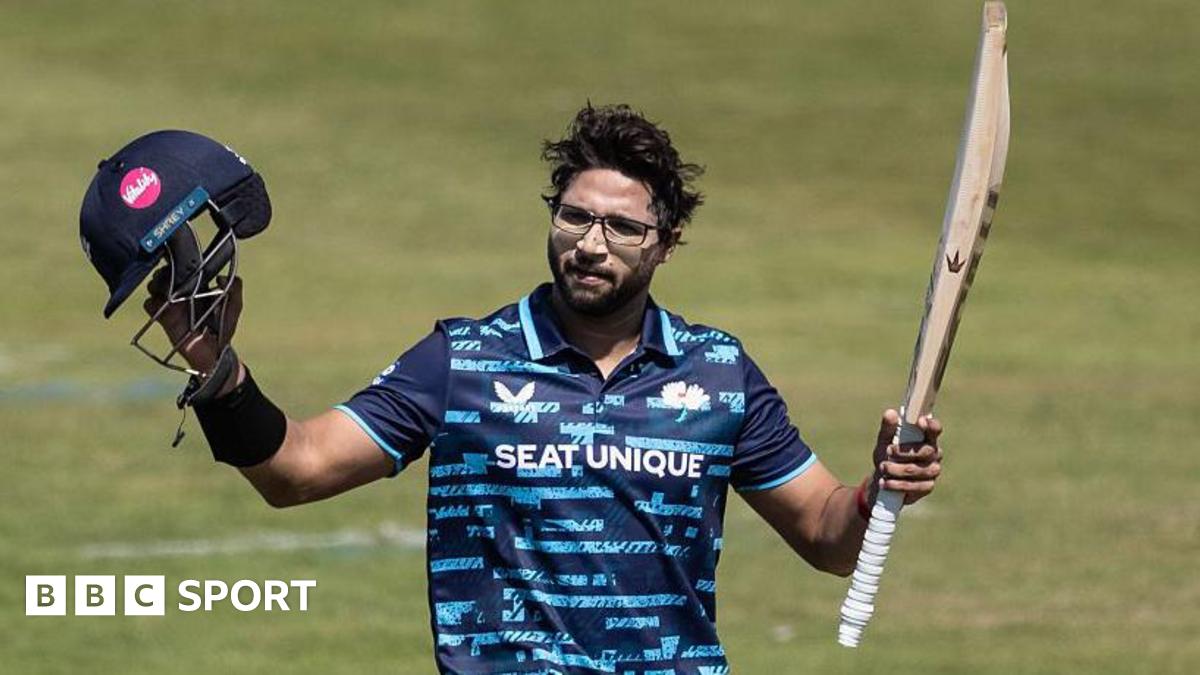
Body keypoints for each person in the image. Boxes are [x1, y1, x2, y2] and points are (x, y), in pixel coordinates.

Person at [145, 104, 943, 674]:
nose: (591, 245)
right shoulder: (463, 359)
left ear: (667, 244)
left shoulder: (718, 372)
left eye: (622, 228)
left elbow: (827, 534)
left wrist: (880, 490)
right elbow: (297, 469)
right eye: (573, 217)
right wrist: (218, 372)